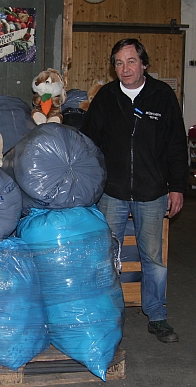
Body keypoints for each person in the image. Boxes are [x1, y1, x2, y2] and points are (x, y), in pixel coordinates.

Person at [81, 38, 188, 343]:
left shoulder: (162, 96)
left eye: (130, 61)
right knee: (105, 255)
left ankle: (157, 316)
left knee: (152, 257)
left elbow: (177, 146)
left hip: (152, 193)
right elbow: (89, 143)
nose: (124, 68)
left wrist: (177, 187)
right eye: (118, 62)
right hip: (112, 193)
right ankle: (106, 314)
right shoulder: (106, 97)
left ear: (144, 64)